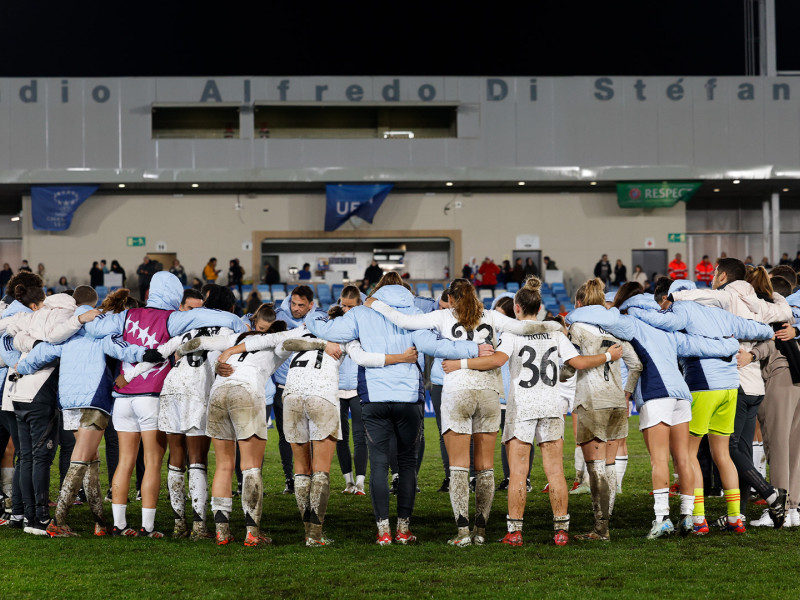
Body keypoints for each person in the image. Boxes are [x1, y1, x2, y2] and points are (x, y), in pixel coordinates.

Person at [365, 277, 556, 546]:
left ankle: (463, 533)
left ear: (451, 298)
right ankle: (481, 531)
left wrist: (375, 304)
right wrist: (554, 325)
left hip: (457, 392)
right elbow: (524, 327)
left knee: (458, 468)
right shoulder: (491, 316)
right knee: (485, 468)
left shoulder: (443, 316)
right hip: (489, 392)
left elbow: (404, 321)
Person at [306, 272, 488, 545]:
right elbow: (434, 346)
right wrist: (474, 348)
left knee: (379, 464)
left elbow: (325, 331)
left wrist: (312, 313)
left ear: (378, 290)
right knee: (406, 464)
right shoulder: (415, 313)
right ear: (404, 290)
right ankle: (403, 529)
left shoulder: (361, 313)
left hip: (374, 397)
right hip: (409, 398)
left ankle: (383, 532)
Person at [442, 277, 624, 547]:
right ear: (539, 307)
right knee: (555, 472)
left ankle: (515, 532)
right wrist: (609, 356)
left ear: (517, 308)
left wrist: (459, 364)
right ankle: (561, 530)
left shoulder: (512, 334)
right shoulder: (554, 333)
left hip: (522, 408)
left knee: (518, 472)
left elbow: (496, 360)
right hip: (551, 406)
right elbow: (578, 362)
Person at [81, 271, 248, 538]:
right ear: (174, 293)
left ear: (149, 293)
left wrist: (87, 314)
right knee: (152, 462)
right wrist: (241, 322)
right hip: (152, 396)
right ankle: (148, 527)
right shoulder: (174, 318)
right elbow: (214, 316)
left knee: (124, 461)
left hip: (123, 397)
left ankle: (120, 524)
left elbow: (94, 328)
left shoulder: (126, 315)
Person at [569, 281, 740, 539]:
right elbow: (699, 346)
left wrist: (571, 315)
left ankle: (662, 519)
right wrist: (732, 347)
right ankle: (687, 517)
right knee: (684, 458)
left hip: (656, 392)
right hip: (682, 395)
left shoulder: (631, 321)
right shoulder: (667, 325)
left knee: (659, 459)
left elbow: (597, 317)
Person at [630, 277, 775, 535]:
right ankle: (735, 518)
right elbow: (764, 331)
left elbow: (664, 324)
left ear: (675, 297)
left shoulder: (682, 309)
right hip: (730, 388)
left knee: (689, 454)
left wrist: (634, 310)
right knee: (723, 454)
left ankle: (699, 519)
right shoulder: (720, 313)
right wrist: (729, 344)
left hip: (702, 387)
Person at [15, 287, 149, 538]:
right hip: (93, 399)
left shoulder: (68, 331)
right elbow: (121, 349)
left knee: (90, 461)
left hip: (68, 400)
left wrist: (23, 366)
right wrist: (144, 354)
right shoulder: (101, 330)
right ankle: (58, 520)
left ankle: (100, 522)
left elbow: (44, 351)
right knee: (81, 458)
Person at [670, 258, 793, 527]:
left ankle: (770, 495)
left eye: (714, 274)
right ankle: (739, 514)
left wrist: (674, 295)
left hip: (728, 381)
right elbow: (785, 315)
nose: (712, 279)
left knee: (721, 451)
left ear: (723, 276)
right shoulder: (761, 303)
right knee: (738, 451)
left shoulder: (725, 298)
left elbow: (699, 296)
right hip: (755, 387)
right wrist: (773, 294)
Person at [565, 279, 641, 542]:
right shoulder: (614, 332)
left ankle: (601, 529)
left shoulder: (576, 329)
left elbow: (568, 366)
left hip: (592, 400)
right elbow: (636, 364)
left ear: (580, 303)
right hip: (617, 402)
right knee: (608, 464)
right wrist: (627, 391)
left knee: (595, 467)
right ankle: (605, 522)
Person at [272, 286, 328, 494]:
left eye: (301, 305)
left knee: (313, 434)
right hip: (283, 386)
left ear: (311, 305)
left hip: (311, 387)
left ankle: (312, 475)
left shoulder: (321, 320)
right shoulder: (279, 317)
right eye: (293, 304)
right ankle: (290, 479)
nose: (295, 308)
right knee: (287, 436)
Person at [334, 286, 368, 495]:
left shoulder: (367, 325)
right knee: (340, 437)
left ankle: (361, 483)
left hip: (358, 389)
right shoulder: (333, 323)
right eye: (343, 305)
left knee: (360, 436)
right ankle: (348, 482)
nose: (345, 309)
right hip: (336, 389)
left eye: (350, 306)